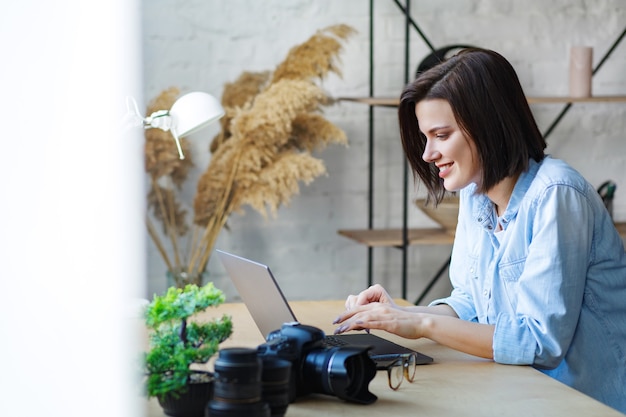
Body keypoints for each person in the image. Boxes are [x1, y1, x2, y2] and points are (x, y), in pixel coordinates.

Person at [332, 48, 626, 413]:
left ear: (487, 124)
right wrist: (401, 318)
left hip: (588, 404)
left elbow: (539, 343)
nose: (427, 153)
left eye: (440, 135)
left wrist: (421, 323)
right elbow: (472, 304)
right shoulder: (475, 194)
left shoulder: (556, 195)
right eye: (426, 137)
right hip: (521, 393)